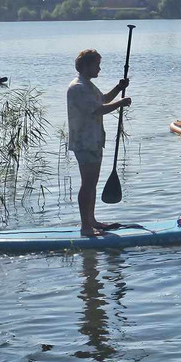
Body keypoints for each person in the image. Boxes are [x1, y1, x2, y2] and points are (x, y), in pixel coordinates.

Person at [67, 49, 131, 237]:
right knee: (87, 183)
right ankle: (85, 227)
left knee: (92, 183)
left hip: (93, 140)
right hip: (84, 141)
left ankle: (91, 220)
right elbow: (98, 110)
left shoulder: (88, 85)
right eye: (97, 65)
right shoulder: (77, 87)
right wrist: (121, 103)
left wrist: (119, 89)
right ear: (86, 66)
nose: (99, 69)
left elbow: (103, 99)